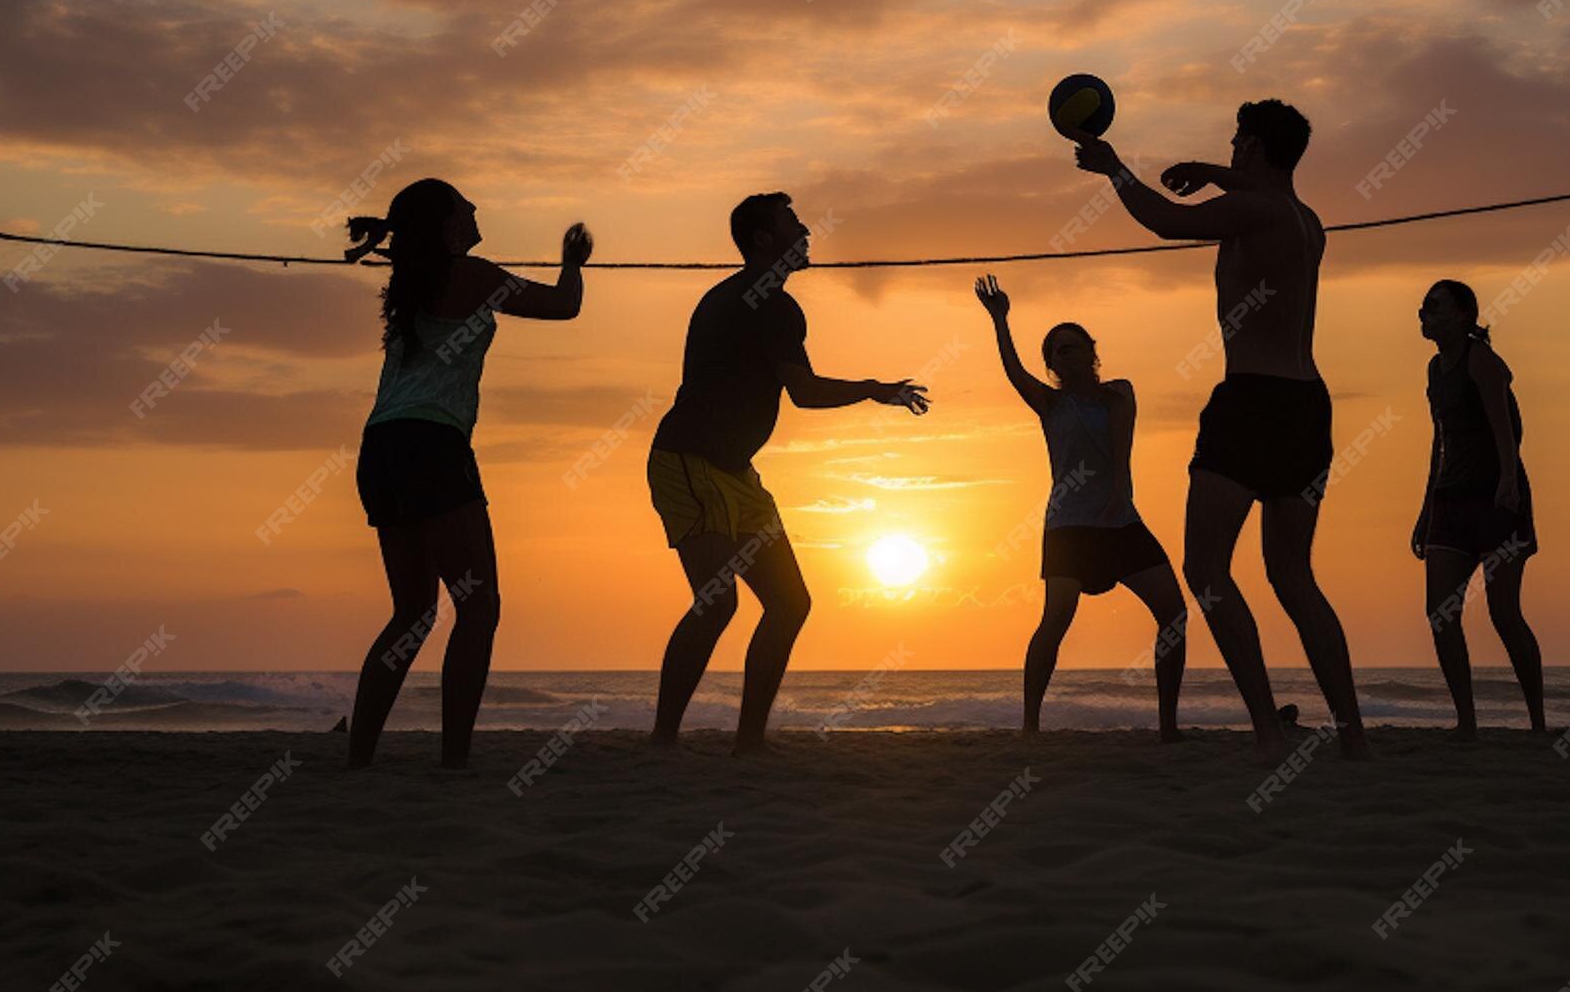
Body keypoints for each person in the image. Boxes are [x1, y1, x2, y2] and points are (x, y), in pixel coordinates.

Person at [1064, 98, 1366, 761]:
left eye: (1235, 143)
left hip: (1251, 402)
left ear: (1255, 147)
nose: (1230, 150)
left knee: (1205, 569)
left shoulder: (1251, 211)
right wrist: (1211, 168)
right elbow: (1255, 196)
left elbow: (1167, 220)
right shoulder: (1304, 219)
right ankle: (1353, 738)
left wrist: (1114, 168)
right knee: (1292, 577)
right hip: (1306, 405)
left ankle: (1265, 732)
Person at [647, 192, 928, 753]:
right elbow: (804, 393)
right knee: (718, 602)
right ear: (762, 240)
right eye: (792, 224)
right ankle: (662, 741)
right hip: (687, 462)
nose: (805, 231)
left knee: (790, 602)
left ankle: (748, 741)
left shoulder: (748, 300)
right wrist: (875, 390)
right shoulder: (767, 304)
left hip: (735, 472)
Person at [342, 179, 592, 770]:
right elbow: (564, 306)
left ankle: (360, 759)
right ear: (449, 225)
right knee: (478, 608)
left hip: (381, 447)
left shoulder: (408, 285)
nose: (478, 209)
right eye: (466, 205)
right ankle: (454, 761)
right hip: (433, 443)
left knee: (412, 613)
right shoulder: (473, 274)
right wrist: (573, 262)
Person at [973, 274, 1187, 740]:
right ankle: (1030, 726)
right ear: (1050, 364)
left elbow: (1122, 441)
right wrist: (999, 319)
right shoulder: (1049, 404)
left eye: (1072, 346)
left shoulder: (1119, 393)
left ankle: (1168, 725)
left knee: (1174, 612)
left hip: (1119, 520)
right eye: (1056, 351)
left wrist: (1119, 492)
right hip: (1069, 526)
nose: (1063, 355)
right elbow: (1012, 372)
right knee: (1056, 619)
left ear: (1092, 351)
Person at [1411, 279, 1545, 733]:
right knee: (1440, 613)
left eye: (1434, 306)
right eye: (1423, 307)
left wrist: (1508, 480)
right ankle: (1466, 721)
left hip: (1495, 496)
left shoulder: (1483, 360)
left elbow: (1509, 427)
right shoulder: (1434, 369)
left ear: (1464, 314)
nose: (1424, 313)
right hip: (1450, 500)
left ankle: (1539, 723)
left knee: (1504, 614)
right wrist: (1426, 507)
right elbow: (1439, 440)